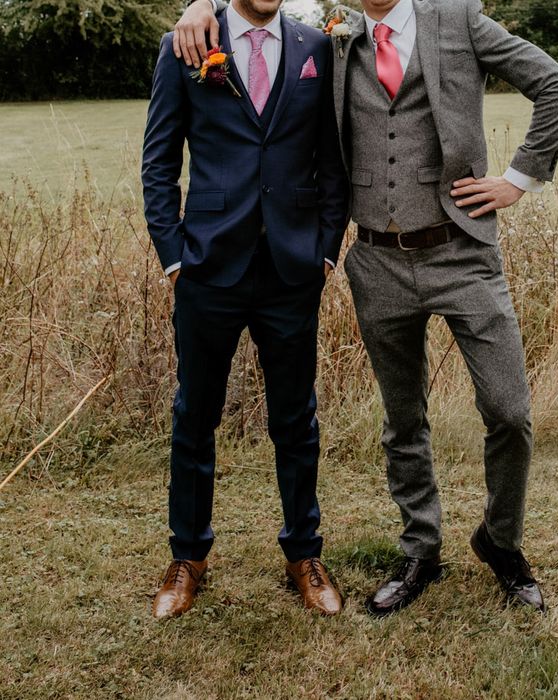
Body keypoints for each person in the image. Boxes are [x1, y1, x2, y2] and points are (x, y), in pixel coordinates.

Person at [175, 0, 558, 616]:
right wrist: (198, 5)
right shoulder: (338, 42)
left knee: (509, 411)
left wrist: (518, 179)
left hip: (462, 252)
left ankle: (501, 544)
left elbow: (556, 86)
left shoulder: (459, 20)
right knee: (402, 420)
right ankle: (420, 548)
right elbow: (249, 28)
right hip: (378, 261)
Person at [142, 0, 348, 619]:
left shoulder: (316, 49)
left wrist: (326, 252)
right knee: (194, 415)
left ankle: (304, 556)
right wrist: (174, 255)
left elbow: (333, 161)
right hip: (208, 265)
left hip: (291, 269)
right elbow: (159, 160)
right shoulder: (186, 44)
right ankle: (188, 558)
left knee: (296, 419)